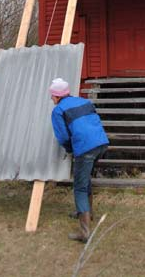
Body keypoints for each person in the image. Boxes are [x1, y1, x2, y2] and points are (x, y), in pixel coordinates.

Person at [49, 77, 108, 243]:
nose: (51, 98)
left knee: (80, 187)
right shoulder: (84, 102)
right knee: (85, 178)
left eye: (52, 95)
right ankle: (87, 212)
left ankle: (84, 232)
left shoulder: (58, 110)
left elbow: (62, 136)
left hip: (85, 149)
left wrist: (70, 150)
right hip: (101, 143)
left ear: (58, 96)